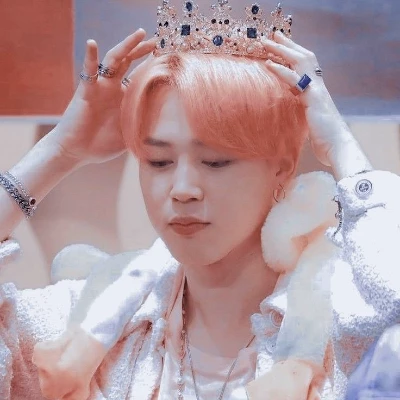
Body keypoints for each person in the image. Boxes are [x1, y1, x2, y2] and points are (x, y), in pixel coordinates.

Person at [1, 2, 400, 399]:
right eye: (158, 161)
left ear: (281, 167)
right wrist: (61, 150)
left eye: (215, 161)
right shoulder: (92, 318)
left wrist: (342, 147)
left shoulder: (337, 329)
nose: (183, 189)